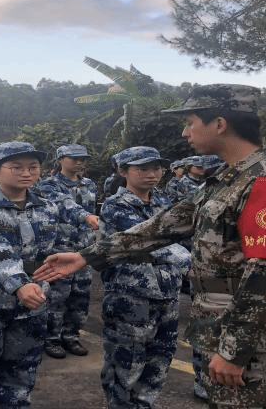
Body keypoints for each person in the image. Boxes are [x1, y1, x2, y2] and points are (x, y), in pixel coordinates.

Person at [36, 84, 266, 409]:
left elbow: (265, 273)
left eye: (190, 122)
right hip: (223, 319)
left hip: (253, 334)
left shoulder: (265, 184)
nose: (185, 132)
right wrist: (87, 255)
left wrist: (234, 351)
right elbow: (166, 224)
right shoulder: (230, 177)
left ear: (219, 124)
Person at [0, 142, 90, 408]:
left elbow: (51, 251)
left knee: (21, 379)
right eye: (16, 167)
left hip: (31, 308)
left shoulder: (46, 207)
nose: (26, 173)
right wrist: (20, 283)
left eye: (33, 167)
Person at [99, 146, 191, 408]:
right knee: (126, 359)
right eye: (143, 169)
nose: (152, 174)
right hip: (131, 294)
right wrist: (191, 262)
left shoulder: (163, 201)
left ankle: (144, 403)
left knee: (160, 357)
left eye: (156, 168)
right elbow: (149, 241)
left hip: (167, 292)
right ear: (123, 171)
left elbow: (181, 234)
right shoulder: (115, 206)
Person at [37, 144, 99, 359]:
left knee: (80, 296)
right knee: (57, 296)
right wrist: (86, 217)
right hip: (59, 249)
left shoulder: (89, 184)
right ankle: (51, 338)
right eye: (74, 158)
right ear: (60, 160)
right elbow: (65, 205)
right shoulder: (48, 185)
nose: (79, 162)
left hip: (84, 250)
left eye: (82, 159)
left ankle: (71, 336)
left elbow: (92, 211)